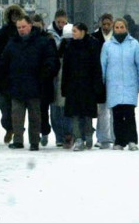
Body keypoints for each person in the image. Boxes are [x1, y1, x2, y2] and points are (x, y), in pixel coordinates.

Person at [0, 15, 54, 151]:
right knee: (16, 116)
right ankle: (18, 140)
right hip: (16, 84)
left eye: (23, 27)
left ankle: (34, 142)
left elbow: (50, 61)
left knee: (35, 116)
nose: (21, 30)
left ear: (30, 26)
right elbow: (4, 62)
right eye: (19, 27)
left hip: (35, 85)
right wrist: (0, 78)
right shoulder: (12, 43)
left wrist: (44, 75)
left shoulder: (42, 42)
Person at [101, 15, 139, 151]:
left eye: (122, 27)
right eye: (117, 27)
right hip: (113, 85)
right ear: (113, 29)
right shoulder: (107, 46)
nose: (119, 29)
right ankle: (119, 141)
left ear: (126, 28)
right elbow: (103, 66)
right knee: (116, 115)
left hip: (129, 84)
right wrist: (101, 84)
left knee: (129, 114)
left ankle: (132, 140)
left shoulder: (134, 44)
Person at [60, 22, 105, 150]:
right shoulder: (69, 46)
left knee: (87, 114)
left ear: (82, 31)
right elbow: (66, 69)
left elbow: (96, 67)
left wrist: (98, 86)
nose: (72, 33)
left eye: (75, 31)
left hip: (88, 86)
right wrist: (64, 86)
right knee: (74, 114)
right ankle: (78, 138)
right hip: (72, 86)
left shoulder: (92, 45)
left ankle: (88, 134)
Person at [0, 3, 26, 143]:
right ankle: (9, 128)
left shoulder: (23, 32)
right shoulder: (2, 33)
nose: (15, 18)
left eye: (17, 15)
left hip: (18, 76)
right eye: (12, 15)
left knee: (17, 107)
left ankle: (17, 131)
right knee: (4, 106)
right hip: (4, 76)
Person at [30, 13, 58, 146]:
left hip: (45, 80)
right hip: (32, 79)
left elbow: (53, 58)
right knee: (35, 109)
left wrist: (48, 71)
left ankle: (44, 132)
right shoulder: (28, 39)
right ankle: (38, 132)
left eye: (38, 25)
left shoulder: (48, 39)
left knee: (43, 108)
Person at [90, 13, 115, 148]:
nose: (106, 27)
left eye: (108, 24)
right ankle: (102, 136)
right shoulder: (94, 37)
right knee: (102, 108)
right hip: (99, 76)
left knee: (115, 108)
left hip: (114, 76)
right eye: (104, 24)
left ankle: (114, 135)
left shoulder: (117, 37)